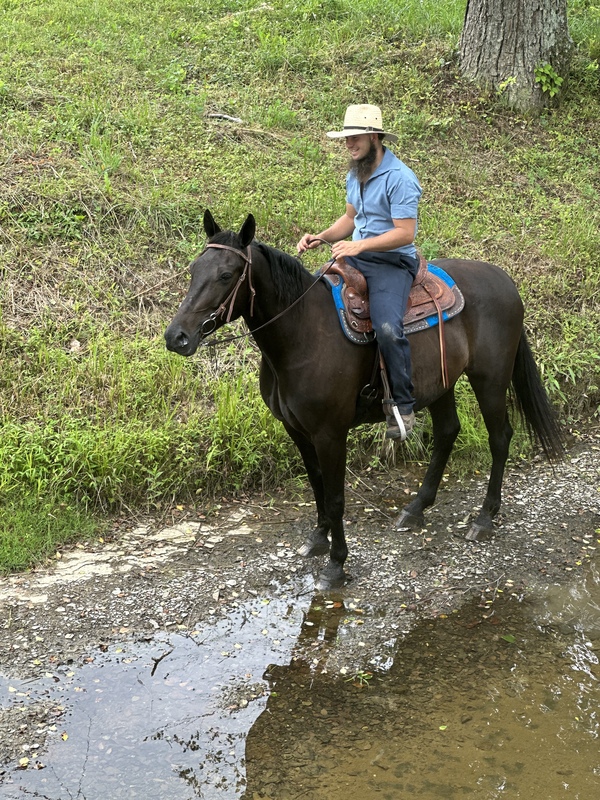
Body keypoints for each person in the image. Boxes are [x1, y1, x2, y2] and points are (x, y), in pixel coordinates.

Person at [297, 104, 422, 440]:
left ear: (373, 137)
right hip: (357, 258)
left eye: (354, 138)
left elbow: (405, 233)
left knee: (386, 326)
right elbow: (351, 219)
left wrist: (359, 247)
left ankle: (403, 406)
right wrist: (321, 237)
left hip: (392, 262)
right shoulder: (356, 173)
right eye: (346, 138)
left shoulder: (400, 178)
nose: (349, 144)